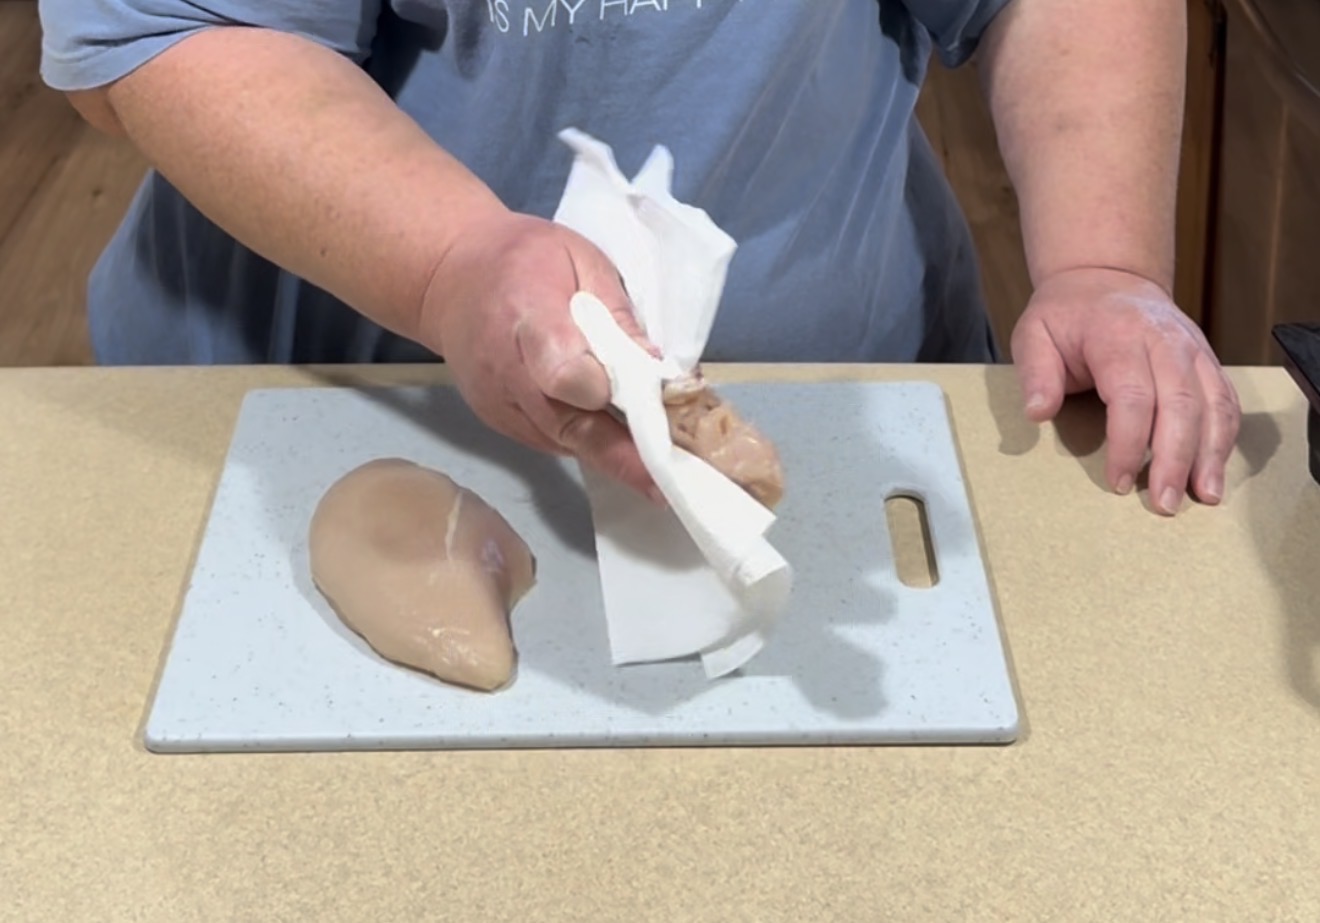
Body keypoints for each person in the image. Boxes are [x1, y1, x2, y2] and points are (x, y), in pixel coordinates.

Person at [38, 0, 1240, 516]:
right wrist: (452, 258)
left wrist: (1102, 263)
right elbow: (175, 32)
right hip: (328, 406)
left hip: (843, 406)